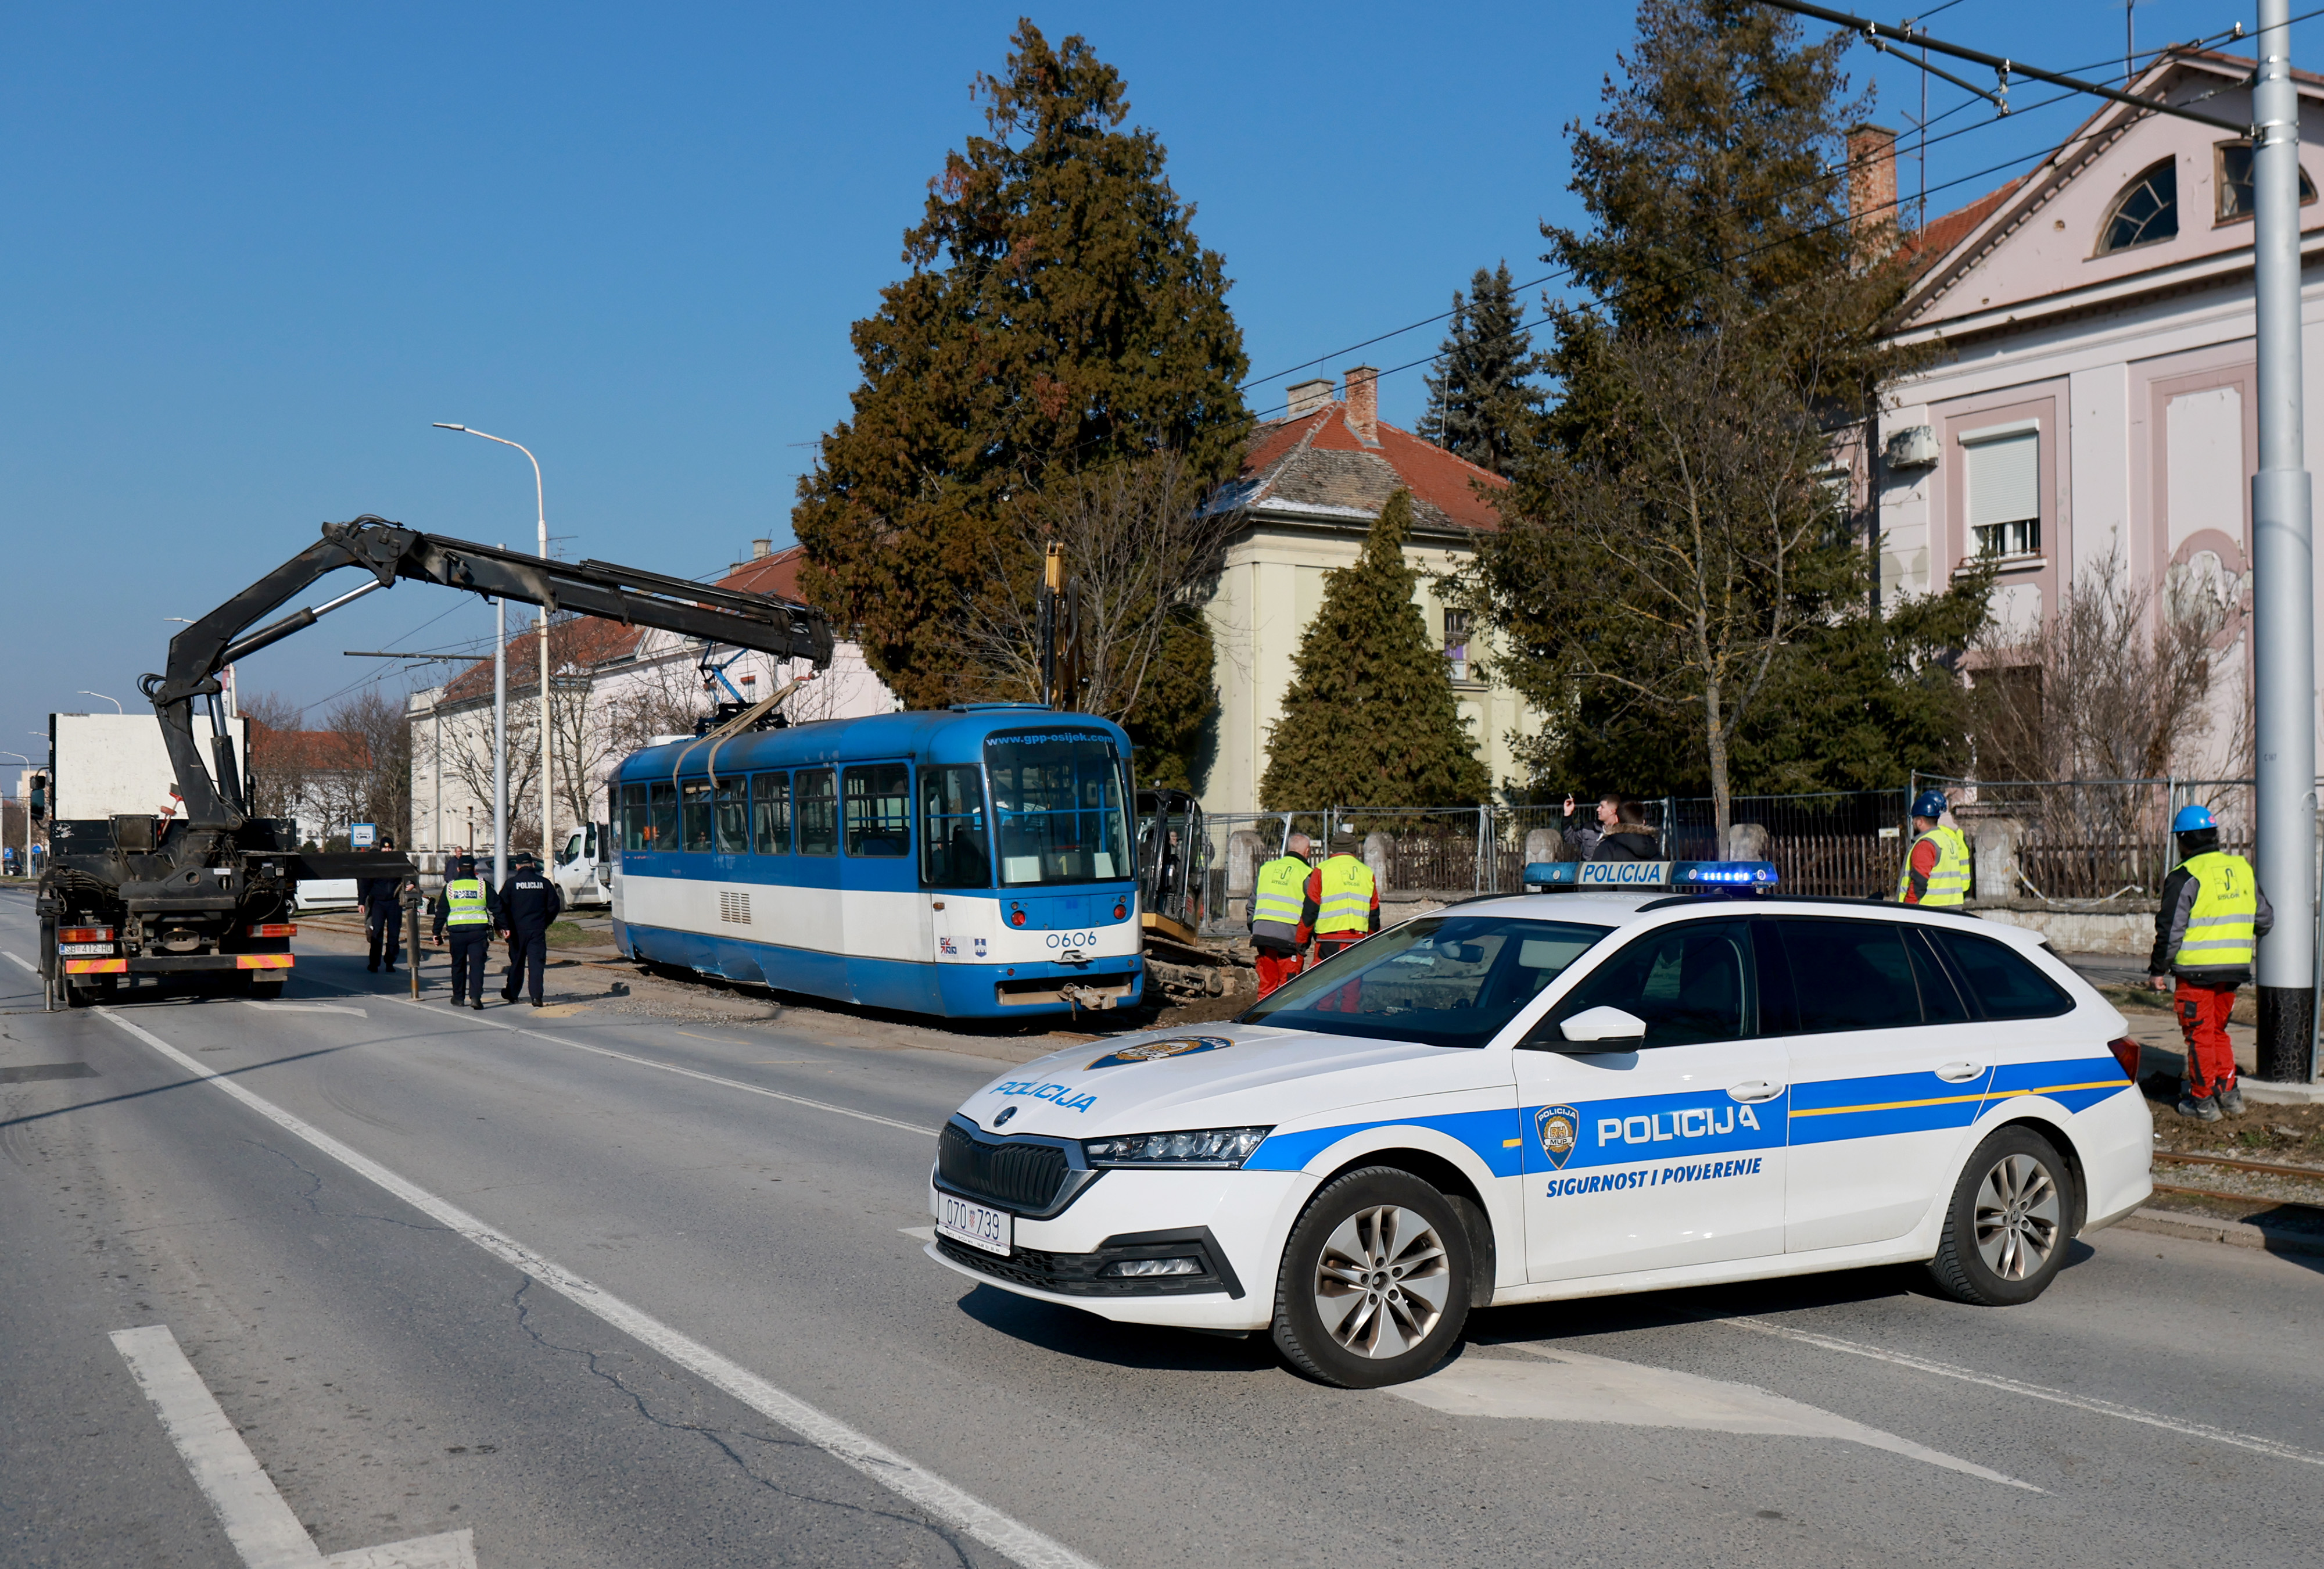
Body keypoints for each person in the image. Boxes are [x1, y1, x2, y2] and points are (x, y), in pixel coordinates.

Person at [2149, 804, 2272, 1122]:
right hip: (2234, 970)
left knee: (2200, 1035)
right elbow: (2265, 920)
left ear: (2185, 839)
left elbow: (2170, 930)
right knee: (2218, 1033)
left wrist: (2158, 970)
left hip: (2196, 972)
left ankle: (2202, 1102)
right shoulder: (2242, 868)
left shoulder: (2185, 876)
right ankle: (2229, 1095)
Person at [1302, 833, 1379, 1011]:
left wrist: (1301, 940)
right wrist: (1375, 943)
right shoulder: (1367, 872)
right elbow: (1374, 913)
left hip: (1328, 940)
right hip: (1357, 941)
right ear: (1355, 850)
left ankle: (1321, 1029)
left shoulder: (1322, 869)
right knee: (1352, 993)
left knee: (1325, 991)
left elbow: (1310, 910)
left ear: (1332, 850)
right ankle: (1347, 1028)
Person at [1247, 832, 1313, 998]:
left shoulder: (1266, 869)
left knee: (1267, 986)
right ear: (1307, 852)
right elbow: (1312, 909)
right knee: (1288, 991)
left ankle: (1260, 1022)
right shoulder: (1307, 873)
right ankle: (1283, 1023)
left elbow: (1252, 905)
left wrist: (1255, 929)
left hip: (1263, 935)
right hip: (1290, 939)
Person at [431, 854, 499, 1009]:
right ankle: (475, 998)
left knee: (458, 965)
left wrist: (436, 932)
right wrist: (503, 926)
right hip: (478, 931)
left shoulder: (450, 887)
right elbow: (497, 907)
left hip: (457, 933)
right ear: (474, 869)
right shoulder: (483, 886)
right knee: (477, 965)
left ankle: (458, 997)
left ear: (458, 869)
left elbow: (441, 911)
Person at [498, 850, 564, 1008]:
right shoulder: (544, 883)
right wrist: (544, 922)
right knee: (536, 964)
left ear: (518, 866)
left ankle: (513, 994)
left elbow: (501, 907)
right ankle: (536, 997)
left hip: (517, 931)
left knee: (517, 963)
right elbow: (554, 906)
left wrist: (503, 926)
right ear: (533, 865)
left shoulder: (511, 884)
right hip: (537, 930)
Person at [1896, 789, 1970, 907]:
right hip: (1954, 904)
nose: (1912, 823)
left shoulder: (1926, 844)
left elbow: (1919, 882)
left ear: (1920, 821)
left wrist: (1908, 907)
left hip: (1930, 908)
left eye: (1914, 819)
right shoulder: (1949, 839)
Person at [357, 833, 406, 973]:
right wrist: (361, 902)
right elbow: (365, 884)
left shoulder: (398, 862)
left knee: (394, 934)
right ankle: (374, 963)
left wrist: (410, 884)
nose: (388, 851)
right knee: (377, 933)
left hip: (394, 903)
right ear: (380, 849)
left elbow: (409, 874)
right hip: (378, 903)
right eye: (385, 848)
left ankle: (390, 962)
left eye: (390, 848)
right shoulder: (375, 864)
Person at [1562, 794, 1662, 861]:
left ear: (1613, 811)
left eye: (1602, 806)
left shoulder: (1623, 835)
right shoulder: (1589, 828)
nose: (1598, 809)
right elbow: (1570, 839)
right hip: (1588, 878)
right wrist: (1567, 815)